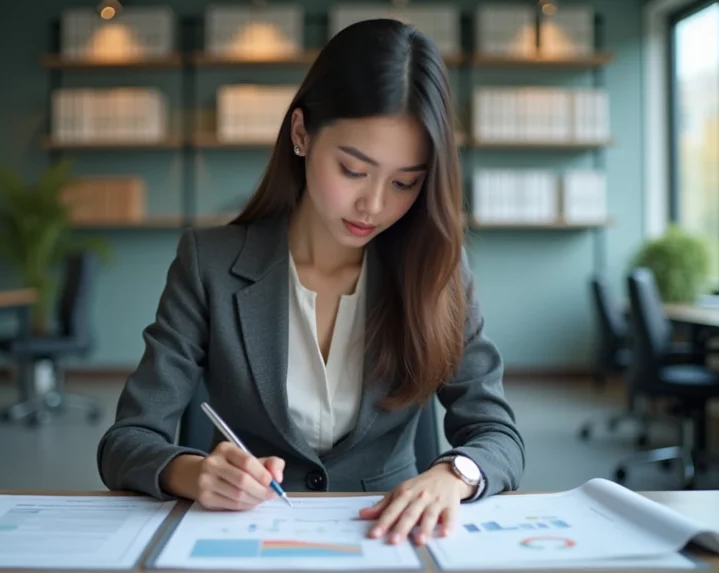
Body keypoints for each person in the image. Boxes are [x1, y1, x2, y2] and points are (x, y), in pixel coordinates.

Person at [97, 18, 524, 547]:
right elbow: (127, 440)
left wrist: (453, 474)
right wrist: (193, 472)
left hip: (388, 540)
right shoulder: (209, 263)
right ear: (301, 133)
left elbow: (498, 435)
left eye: (404, 182)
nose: (374, 204)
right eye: (353, 170)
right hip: (246, 537)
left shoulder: (438, 270)